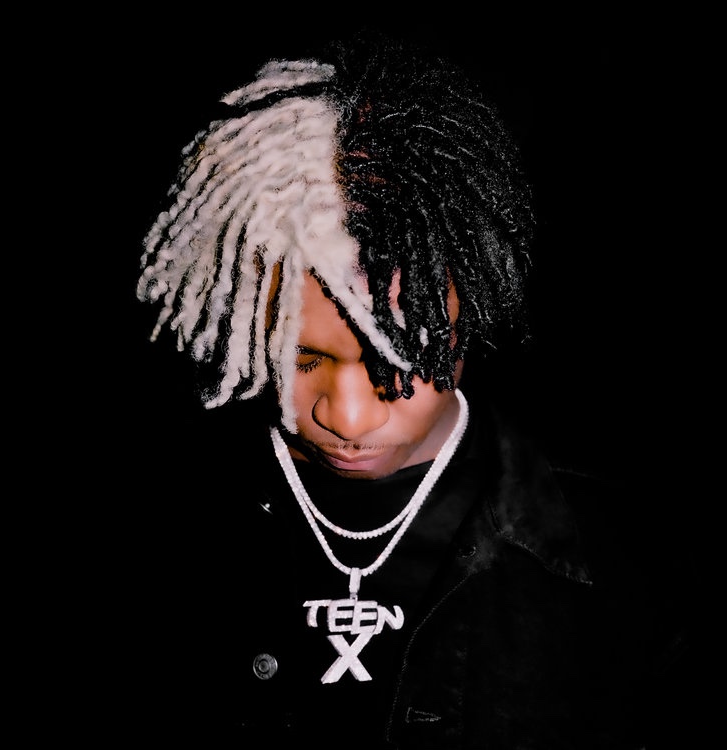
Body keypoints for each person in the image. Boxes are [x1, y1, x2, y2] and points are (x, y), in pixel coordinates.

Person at [129, 31, 692, 749]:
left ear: (472, 306)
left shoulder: (634, 561)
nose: (348, 416)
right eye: (301, 358)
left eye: (400, 358)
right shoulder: (158, 524)